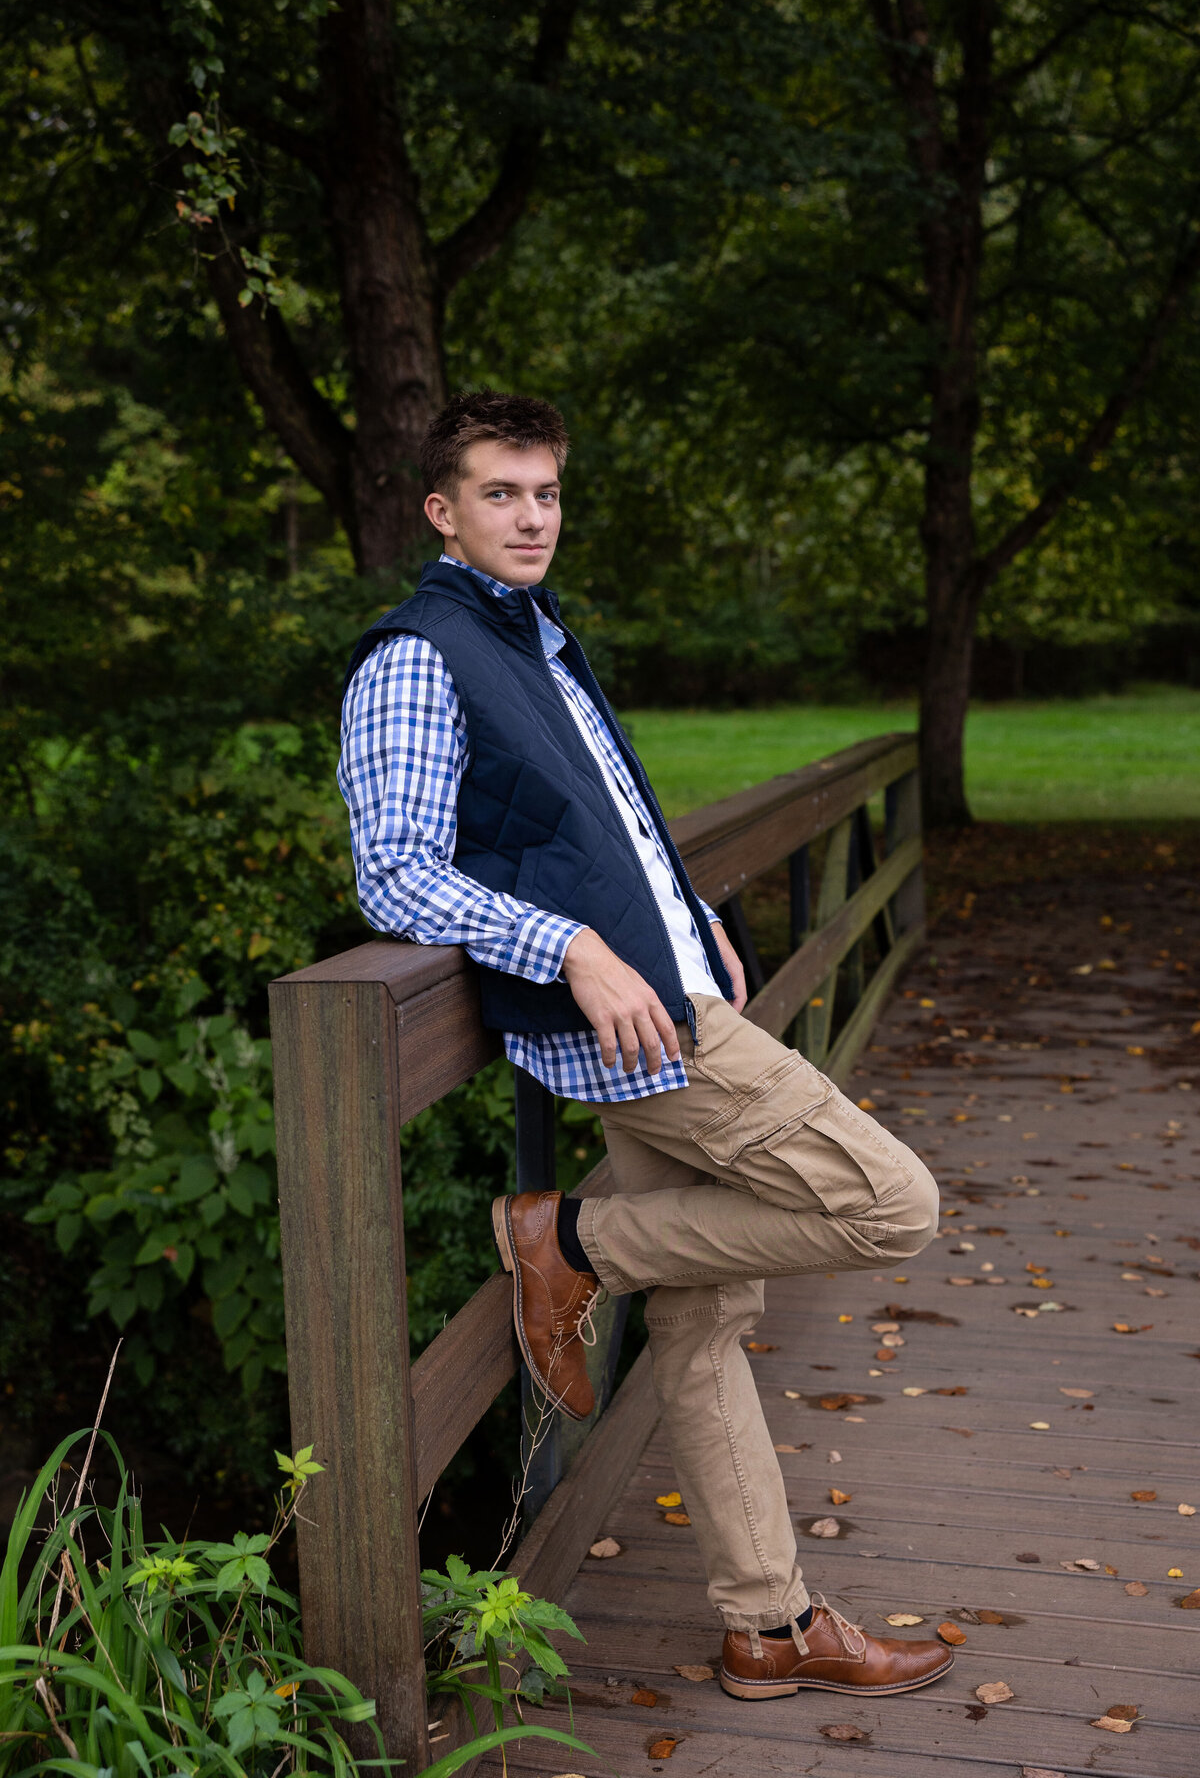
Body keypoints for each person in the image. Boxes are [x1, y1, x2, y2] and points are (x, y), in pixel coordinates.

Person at [338, 390, 952, 1701]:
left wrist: (685, 921)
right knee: (892, 1202)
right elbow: (392, 876)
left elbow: (599, 820)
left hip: (672, 997)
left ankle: (767, 1626)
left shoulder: (540, 636)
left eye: (547, 492)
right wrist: (572, 948)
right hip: (635, 1037)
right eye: (502, 493)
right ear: (440, 510)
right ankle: (569, 1242)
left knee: (707, 1318)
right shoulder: (417, 655)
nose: (533, 515)